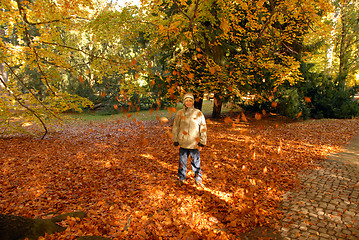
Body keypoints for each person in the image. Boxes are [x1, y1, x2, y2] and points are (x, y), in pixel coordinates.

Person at [172, 93, 207, 186]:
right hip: (183, 142)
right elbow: (176, 127)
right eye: (186, 101)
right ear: (184, 102)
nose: (188, 103)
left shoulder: (198, 113)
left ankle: (198, 179)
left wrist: (202, 142)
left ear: (193, 102)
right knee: (182, 162)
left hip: (195, 143)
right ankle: (181, 178)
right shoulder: (179, 113)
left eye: (190, 101)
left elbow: (203, 128)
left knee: (196, 162)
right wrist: (175, 140)